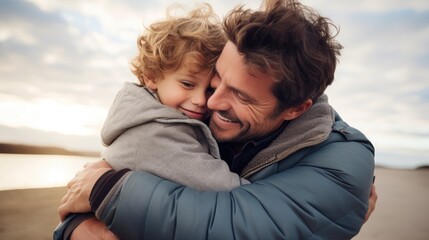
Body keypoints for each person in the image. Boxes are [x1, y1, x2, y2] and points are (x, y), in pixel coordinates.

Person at [57, 0, 377, 239]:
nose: (211, 101)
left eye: (240, 95)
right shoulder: (194, 112)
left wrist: (107, 189)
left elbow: (232, 225)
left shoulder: (341, 169)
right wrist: (75, 226)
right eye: (217, 78)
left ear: (295, 109)